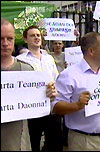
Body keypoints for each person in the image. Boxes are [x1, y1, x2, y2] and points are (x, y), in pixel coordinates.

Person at [1, 19, 57, 151]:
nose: (5, 43)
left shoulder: (26, 70)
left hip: (18, 141)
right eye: (1, 38)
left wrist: (49, 95)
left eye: (9, 38)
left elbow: (37, 101)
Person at [16, 25, 63, 152]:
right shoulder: (20, 60)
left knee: (55, 142)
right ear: (25, 39)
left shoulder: (49, 58)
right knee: (34, 142)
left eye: (38, 35)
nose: (36, 37)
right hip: (32, 110)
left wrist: (55, 91)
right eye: (32, 35)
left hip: (51, 107)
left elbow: (56, 79)